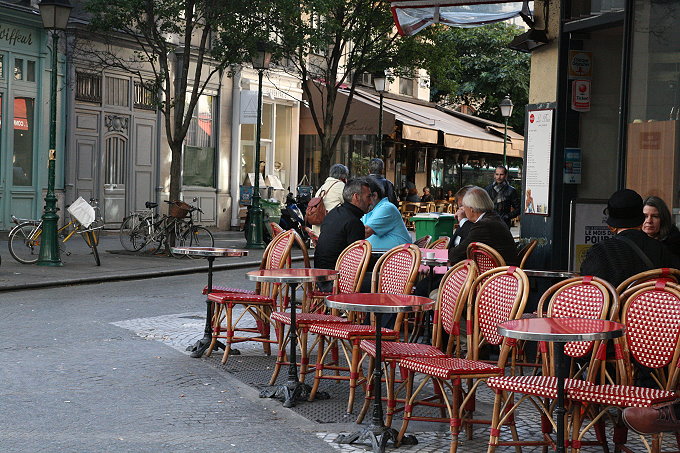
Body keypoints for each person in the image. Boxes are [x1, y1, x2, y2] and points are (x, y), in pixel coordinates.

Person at [580, 189, 680, 287]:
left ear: (611, 224)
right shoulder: (661, 250)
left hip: (612, 303)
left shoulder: (599, 252)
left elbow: (589, 290)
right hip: (648, 303)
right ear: (641, 219)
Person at [314, 178, 372, 290]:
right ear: (356, 197)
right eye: (368, 197)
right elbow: (359, 262)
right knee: (383, 280)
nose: (370, 202)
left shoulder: (333, 214)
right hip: (336, 282)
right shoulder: (353, 222)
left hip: (320, 278)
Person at [447, 186, 519, 266]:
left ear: (472, 209)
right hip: (500, 271)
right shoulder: (492, 218)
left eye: (463, 206)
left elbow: (455, 255)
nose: (462, 210)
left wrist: (463, 221)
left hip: (498, 274)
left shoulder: (483, 225)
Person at [362, 176, 412, 250]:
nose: (361, 202)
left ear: (374, 195)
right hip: (379, 256)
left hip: (397, 256)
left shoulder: (386, 208)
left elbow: (365, 232)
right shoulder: (369, 209)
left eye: (363, 198)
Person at [312, 163, 349, 236]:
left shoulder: (322, 187)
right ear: (343, 176)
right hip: (331, 228)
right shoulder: (341, 186)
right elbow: (348, 205)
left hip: (317, 230)